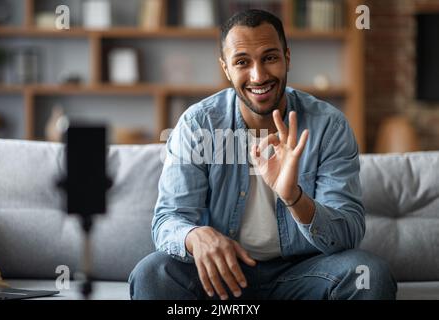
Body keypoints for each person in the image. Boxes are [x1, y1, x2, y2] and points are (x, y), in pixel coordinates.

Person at [129, 9, 397, 300]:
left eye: (269, 57)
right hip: (222, 276)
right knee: (152, 274)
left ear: (287, 58)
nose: (258, 75)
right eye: (242, 62)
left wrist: (294, 197)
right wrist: (195, 236)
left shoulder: (328, 126)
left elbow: (347, 235)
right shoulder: (198, 124)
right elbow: (168, 221)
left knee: (368, 275)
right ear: (226, 68)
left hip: (304, 273)